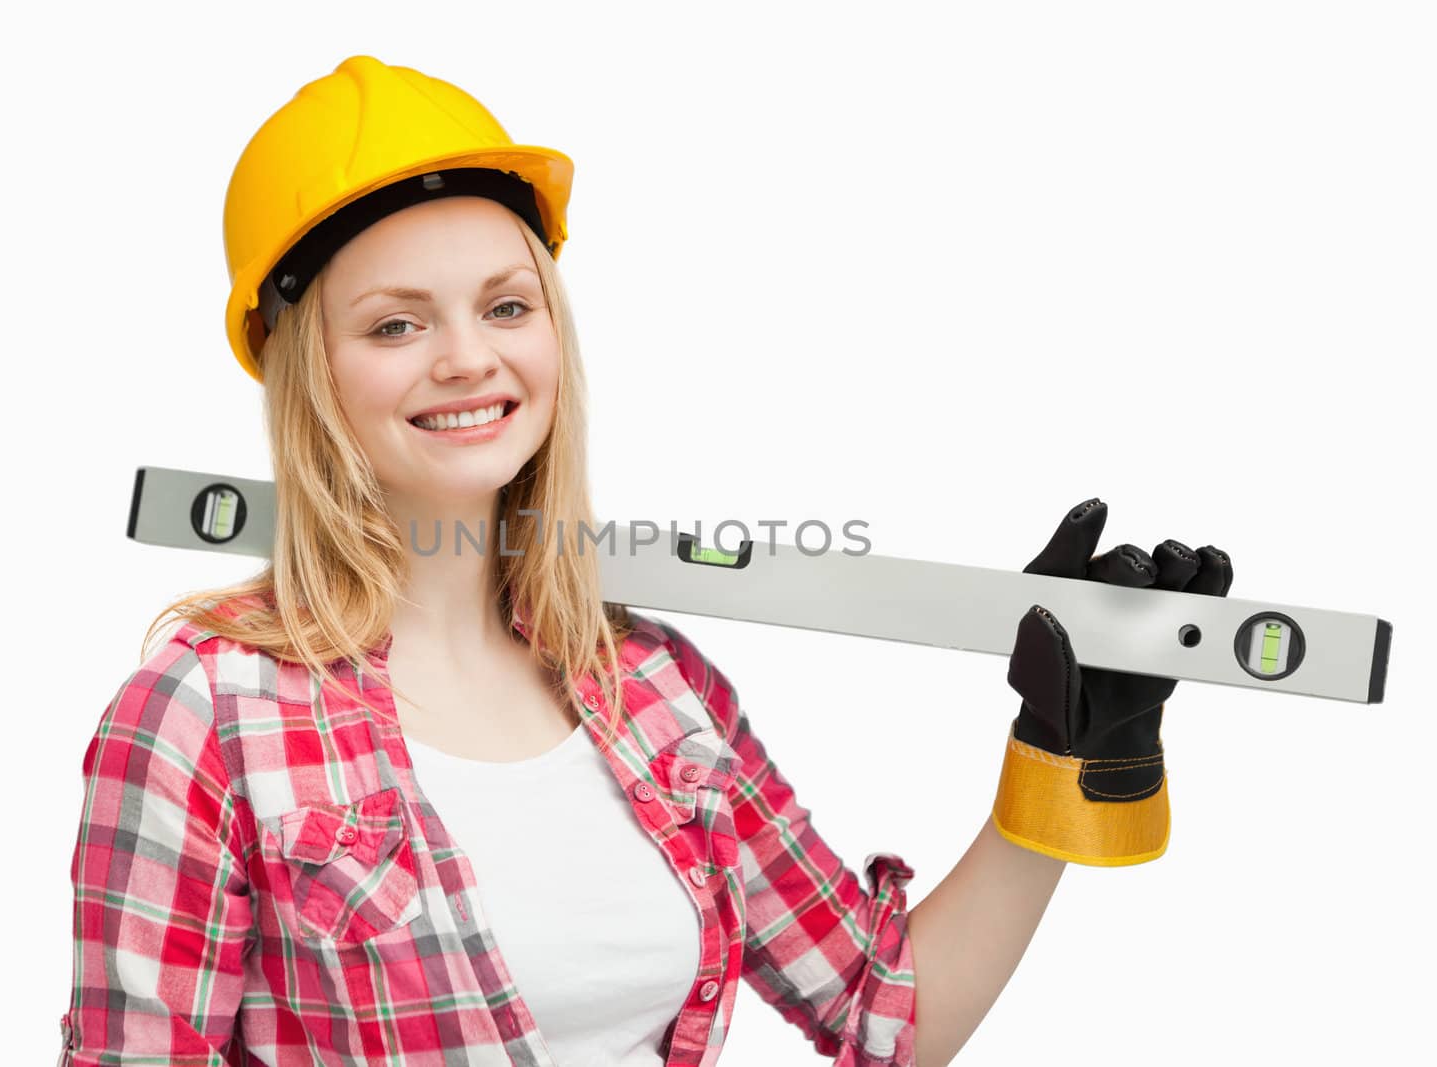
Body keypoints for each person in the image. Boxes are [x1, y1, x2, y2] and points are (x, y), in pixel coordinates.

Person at [60, 55, 1234, 1067]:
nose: (469, 358)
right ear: (300, 367)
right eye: (396, 323)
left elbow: (886, 1013)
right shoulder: (203, 713)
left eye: (506, 305)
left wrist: (1057, 757)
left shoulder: (655, 693)